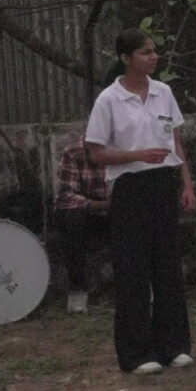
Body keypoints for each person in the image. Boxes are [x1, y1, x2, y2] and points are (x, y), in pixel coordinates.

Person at [85, 29, 196, 375]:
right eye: (145, 52)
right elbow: (95, 152)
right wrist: (137, 155)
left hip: (163, 182)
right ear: (126, 58)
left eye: (154, 51)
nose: (153, 57)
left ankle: (174, 345)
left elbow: (175, 140)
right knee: (134, 268)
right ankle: (137, 352)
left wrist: (186, 183)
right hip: (130, 186)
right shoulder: (109, 100)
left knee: (168, 267)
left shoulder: (163, 93)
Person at [53, 127, 110, 313]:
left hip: (117, 209)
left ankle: (141, 285)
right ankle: (77, 290)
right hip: (87, 210)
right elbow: (65, 196)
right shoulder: (73, 151)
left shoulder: (122, 150)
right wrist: (98, 205)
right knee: (70, 219)